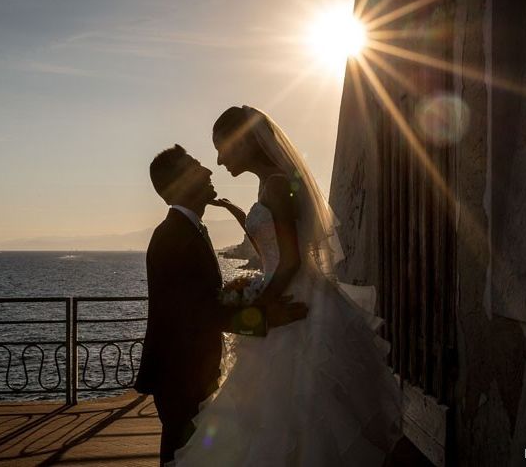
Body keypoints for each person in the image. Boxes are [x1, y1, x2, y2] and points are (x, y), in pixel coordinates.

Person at [169, 106, 403, 466]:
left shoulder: (276, 185)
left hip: (294, 303)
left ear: (243, 142)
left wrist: (259, 306)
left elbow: (291, 261)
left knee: (285, 411)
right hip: (295, 291)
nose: (218, 159)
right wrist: (238, 214)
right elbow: (274, 246)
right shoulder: (271, 183)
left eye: (222, 147)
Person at [134, 144, 309, 466]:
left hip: (186, 372)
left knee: (191, 455)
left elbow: (198, 300)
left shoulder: (187, 229)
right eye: (197, 166)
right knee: (181, 456)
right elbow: (198, 314)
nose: (209, 170)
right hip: (180, 376)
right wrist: (265, 318)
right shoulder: (174, 236)